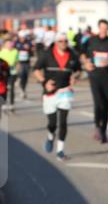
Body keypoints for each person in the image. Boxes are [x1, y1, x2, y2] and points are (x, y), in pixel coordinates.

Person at [33, 32, 81, 160]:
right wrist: (44, 82)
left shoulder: (72, 55)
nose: (63, 43)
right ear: (55, 42)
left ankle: (60, 151)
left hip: (65, 91)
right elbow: (36, 69)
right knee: (52, 123)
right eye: (60, 41)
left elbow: (78, 70)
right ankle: (50, 136)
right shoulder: (46, 55)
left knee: (63, 122)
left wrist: (74, 78)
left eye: (65, 41)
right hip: (50, 93)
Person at [85, 19, 108, 143]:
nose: (103, 31)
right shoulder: (91, 41)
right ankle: (97, 127)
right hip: (94, 75)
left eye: (106, 28)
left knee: (105, 105)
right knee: (98, 102)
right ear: (98, 28)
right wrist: (86, 63)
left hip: (107, 77)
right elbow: (83, 54)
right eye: (102, 28)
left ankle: (103, 131)